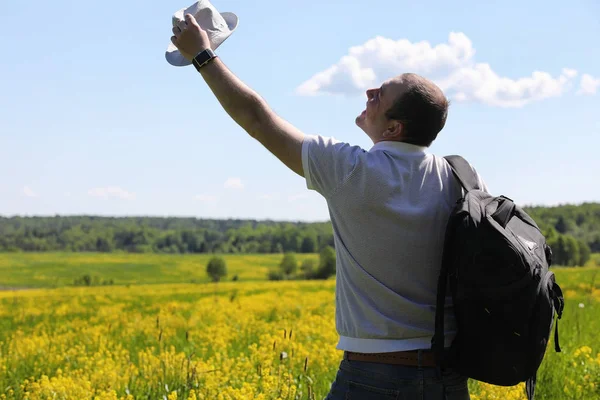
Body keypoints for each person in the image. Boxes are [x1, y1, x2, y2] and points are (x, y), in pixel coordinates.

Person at [171, 14, 488, 400]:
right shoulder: (462, 177)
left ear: (393, 129)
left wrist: (203, 56)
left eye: (379, 95)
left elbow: (257, 118)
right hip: (448, 377)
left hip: (373, 375)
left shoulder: (351, 170)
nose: (368, 91)